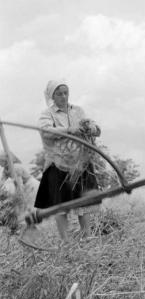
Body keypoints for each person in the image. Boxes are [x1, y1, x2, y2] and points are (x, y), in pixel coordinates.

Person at [34, 80, 101, 242]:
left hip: (80, 162)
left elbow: (95, 129)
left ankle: (86, 235)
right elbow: (46, 131)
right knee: (61, 204)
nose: (63, 96)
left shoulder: (78, 111)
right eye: (59, 94)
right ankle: (66, 241)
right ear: (52, 96)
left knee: (83, 200)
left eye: (65, 92)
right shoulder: (47, 114)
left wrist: (91, 129)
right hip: (58, 163)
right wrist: (68, 130)